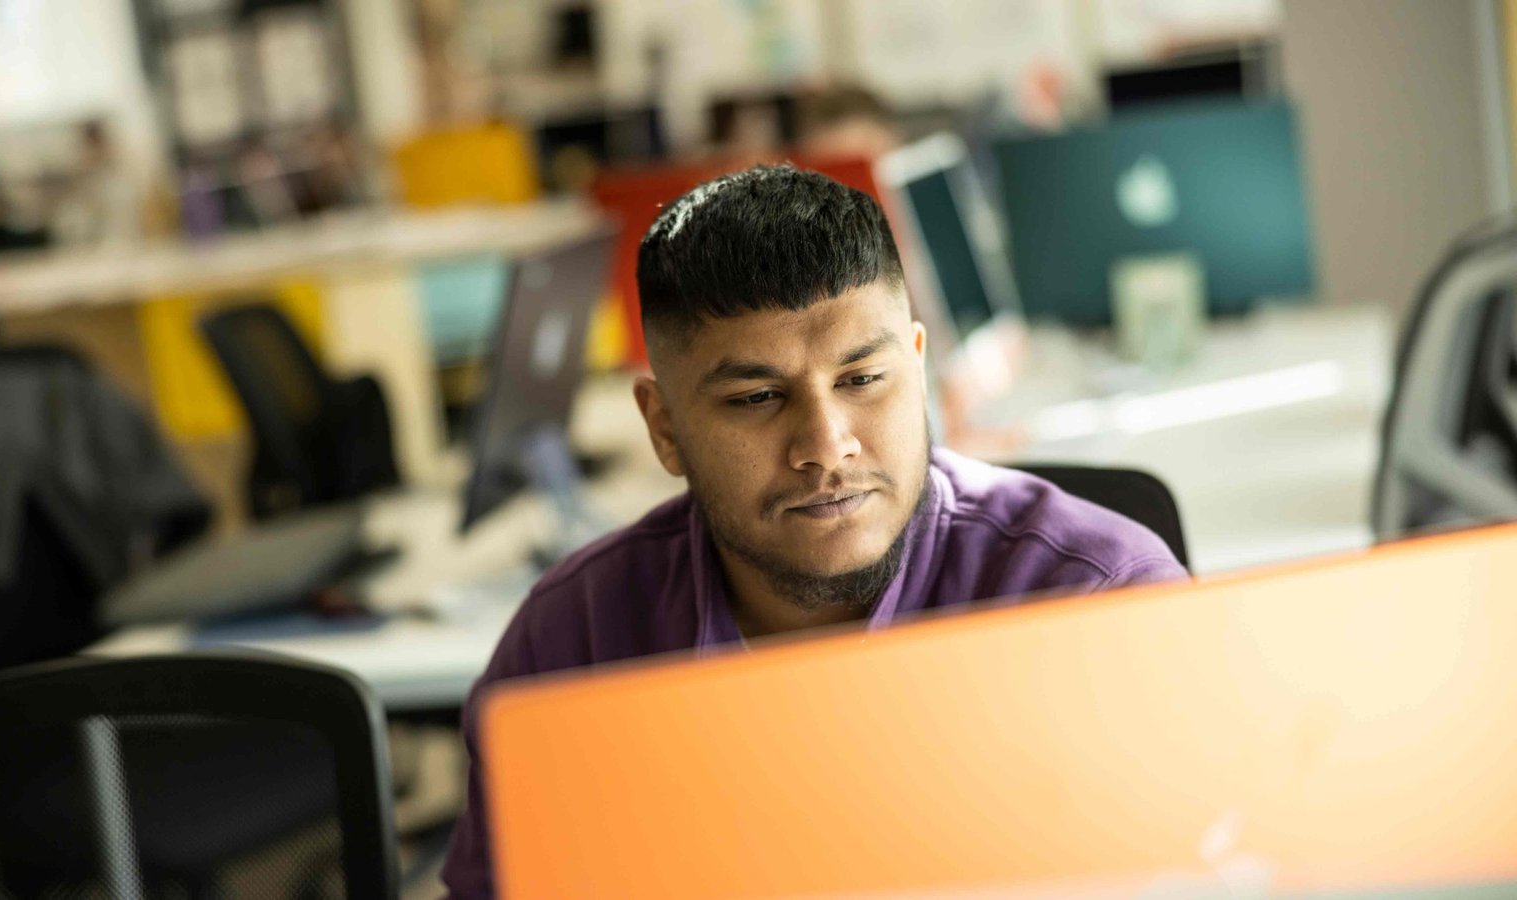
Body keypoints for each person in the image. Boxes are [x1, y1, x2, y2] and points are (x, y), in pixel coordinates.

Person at [440, 165, 1187, 898]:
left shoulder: (1102, 604)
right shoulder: (571, 647)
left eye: (863, 380)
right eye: (758, 397)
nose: (827, 447)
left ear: (919, 372)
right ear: (664, 427)